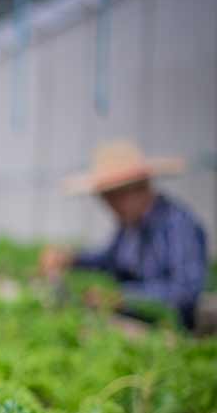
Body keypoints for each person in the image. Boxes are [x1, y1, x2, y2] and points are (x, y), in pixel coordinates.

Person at [40, 141, 209, 329]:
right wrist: (72, 259)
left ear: (140, 187)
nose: (110, 206)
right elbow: (110, 260)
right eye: (106, 198)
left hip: (170, 331)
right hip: (135, 321)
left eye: (114, 197)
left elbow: (185, 291)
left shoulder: (178, 226)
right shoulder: (130, 226)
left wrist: (123, 298)